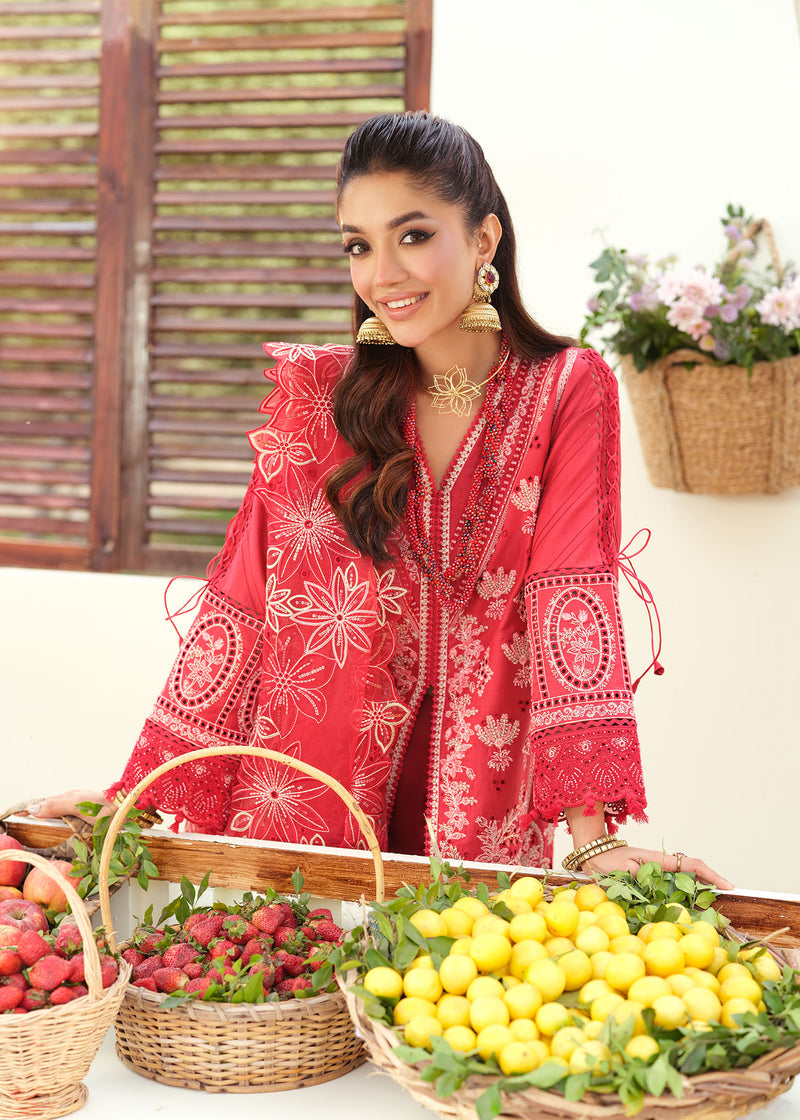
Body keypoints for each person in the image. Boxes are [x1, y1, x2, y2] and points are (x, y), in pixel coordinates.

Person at [32, 112, 731, 888]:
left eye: (413, 234)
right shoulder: (324, 399)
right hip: (317, 791)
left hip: (482, 800)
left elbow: (570, 593)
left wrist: (593, 839)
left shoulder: (566, 387)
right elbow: (244, 603)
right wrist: (135, 802)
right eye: (359, 245)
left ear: (485, 241)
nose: (382, 275)